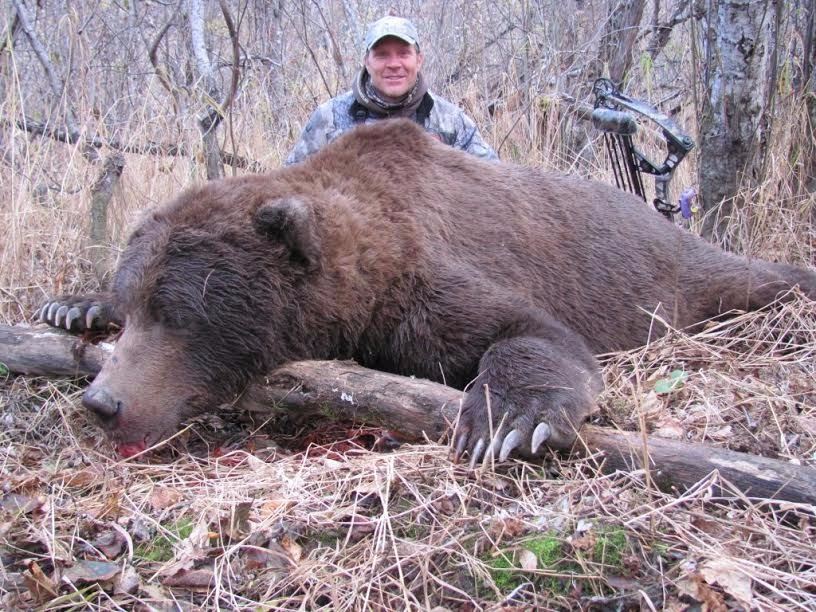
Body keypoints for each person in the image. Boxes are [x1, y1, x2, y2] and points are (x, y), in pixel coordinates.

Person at [285, 16, 498, 165]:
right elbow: (293, 184)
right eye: (382, 55)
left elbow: (491, 179)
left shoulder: (450, 121)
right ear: (367, 62)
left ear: (419, 60)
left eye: (404, 53)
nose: (394, 64)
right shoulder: (329, 119)